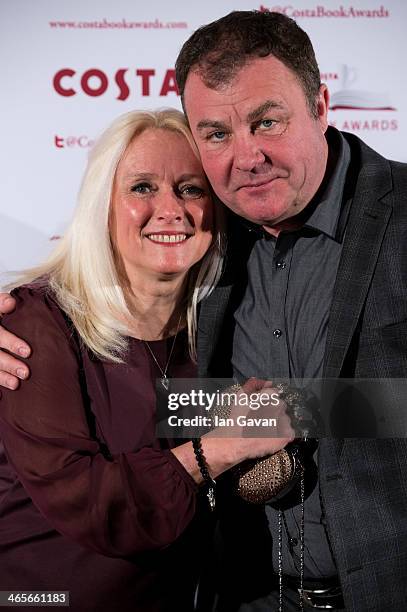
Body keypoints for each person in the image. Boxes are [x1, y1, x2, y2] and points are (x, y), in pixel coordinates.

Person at [1, 10, 406, 612]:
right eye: (216, 133)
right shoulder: (214, 248)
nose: (247, 157)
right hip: (231, 595)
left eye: (267, 122)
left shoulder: (390, 216)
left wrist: (279, 412)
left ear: (321, 105)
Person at [0, 108, 294, 612]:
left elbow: (304, 411)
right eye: (141, 188)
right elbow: (89, 503)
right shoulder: (34, 324)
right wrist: (218, 450)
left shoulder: (222, 323)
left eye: (190, 188)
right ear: (103, 205)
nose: (171, 210)